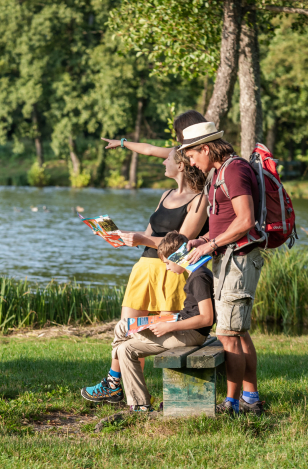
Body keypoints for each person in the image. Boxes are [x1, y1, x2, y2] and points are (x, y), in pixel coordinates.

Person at [81, 110, 209, 404]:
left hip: (171, 270)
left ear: (180, 164)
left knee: (149, 333)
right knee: (126, 330)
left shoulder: (198, 199)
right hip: (145, 268)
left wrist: (141, 238)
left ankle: (136, 389)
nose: (162, 160)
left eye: (167, 159)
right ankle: (116, 384)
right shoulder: (164, 195)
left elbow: (181, 244)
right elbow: (150, 232)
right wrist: (120, 237)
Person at [180, 121, 265, 416]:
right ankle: (250, 399)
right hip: (229, 257)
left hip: (238, 260)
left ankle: (231, 403)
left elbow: (245, 221)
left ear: (205, 148)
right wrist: (200, 241)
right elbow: (224, 221)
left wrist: (211, 245)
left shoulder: (234, 170)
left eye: (192, 156)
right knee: (238, 333)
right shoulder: (217, 173)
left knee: (229, 334)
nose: (192, 163)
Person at [106, 231, 215, 412]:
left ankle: (113, 378)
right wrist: (167, 320)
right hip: (182, 327)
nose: (166, 268)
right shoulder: (196, 273)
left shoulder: (199, 277)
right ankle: (140, 405)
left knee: (122, 327)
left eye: (167, 263)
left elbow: (206, 318)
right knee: (126, 349)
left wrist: (169, 326)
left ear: (178, 257)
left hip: (191, 334)